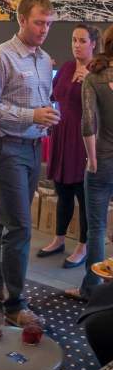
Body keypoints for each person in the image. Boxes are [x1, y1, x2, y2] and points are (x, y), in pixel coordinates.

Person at [0, 0, 58, 326]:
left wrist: (48, 115)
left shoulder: (45, 60)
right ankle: (15, 306)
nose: (44, 30)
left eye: (49, 24)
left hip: (30, 148)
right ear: (22, 19)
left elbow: (43, 103)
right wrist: (31, 115)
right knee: (21, 228)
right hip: (3, 148)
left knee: (9, 223)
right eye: (39, 22)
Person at [38, 24, 100, 266]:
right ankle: (59, 238)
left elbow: (103, 109)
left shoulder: (99, 72)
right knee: (62, 191)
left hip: (84, 139)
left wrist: (90, 84)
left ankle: (83, 246)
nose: (77, 45)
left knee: (82, 196)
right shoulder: (65, 68)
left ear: (93, 43)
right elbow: (53, 96)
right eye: (74, 40)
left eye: (82, 41)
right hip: (62, 136)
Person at [66, 25, 113, 303]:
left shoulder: (93, 77)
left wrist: (92, 159)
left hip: (102, 162)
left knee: (95, 229)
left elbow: (88, 123)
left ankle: (91, 290)